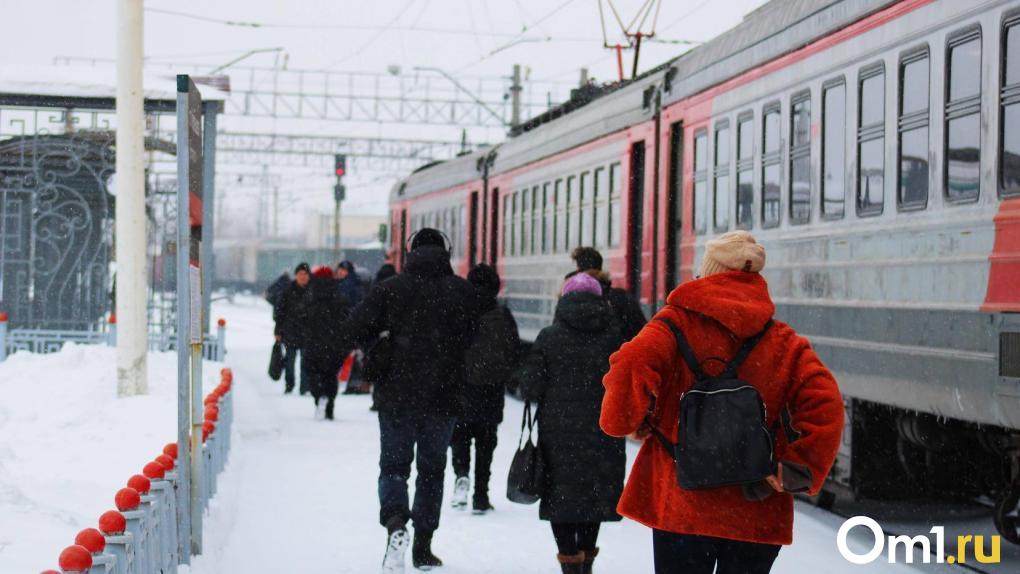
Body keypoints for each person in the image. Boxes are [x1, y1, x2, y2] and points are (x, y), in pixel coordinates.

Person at [600, 231, 844, 574]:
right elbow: (827, 404)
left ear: (707, 273)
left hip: (682, 502)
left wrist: (626, 419)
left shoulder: (670, 327)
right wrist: (798, 467)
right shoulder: (783, 341)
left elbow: (629, 365)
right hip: (754, 506)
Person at [336, 228, 480, 572]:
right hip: (443, 397)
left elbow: (354, 327)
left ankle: (396, 523)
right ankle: (424, 546)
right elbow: (475, 337)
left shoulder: (389, 289)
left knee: (395, 467)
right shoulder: (462, 292)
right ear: (446, 250)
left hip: (396, 395)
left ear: (410, 251)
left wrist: (383, 339)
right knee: (432, 471)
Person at [517, 272, 626, 574]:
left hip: (558, 433)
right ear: (600, 300)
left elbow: (531, 388)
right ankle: (587, 561)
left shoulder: (549, 337)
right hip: (603, 430)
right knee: (593, 496)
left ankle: (569, 563)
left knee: (562, 499)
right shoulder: (615, 337)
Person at [451, 263, 519, 515]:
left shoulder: (458, 312)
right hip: (490, 389)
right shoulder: (502, 314)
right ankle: (481, 495)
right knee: (485, 442)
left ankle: (461, 474)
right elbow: (513, 350)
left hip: (461, 387)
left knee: (459, 437)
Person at [302, 266, 352, 420]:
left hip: (313, 342)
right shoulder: (339, 294)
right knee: (330, 375)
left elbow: (303, 318)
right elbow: (346, 319)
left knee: (314, 373)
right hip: (334, 344)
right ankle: (330, 403)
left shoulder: (310, 294)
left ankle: (319, 397)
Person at [569, 247, 646, 341]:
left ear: (578, 271)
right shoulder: (622, 297)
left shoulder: (572, 300)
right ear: (600, 268)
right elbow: (640, 332)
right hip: (618, 353)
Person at [273, 262, 312, 395]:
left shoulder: (313, 291)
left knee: (305, 362)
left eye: (305, 274)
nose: (303, 277)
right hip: (290, 332)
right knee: (289, 361)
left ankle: (305, 387)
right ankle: (289, 385)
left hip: (308, 333)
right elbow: (279, 312)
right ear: (295, 275)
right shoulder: (287, 290)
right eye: (300, 274)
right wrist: (278, 331)